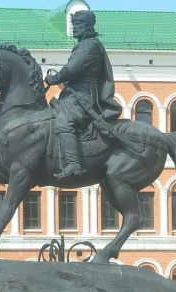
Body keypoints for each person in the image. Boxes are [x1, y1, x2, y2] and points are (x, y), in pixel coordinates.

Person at [44, 10, 122, 179]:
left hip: (83, 94)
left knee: (64, 122)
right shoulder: (86, 44)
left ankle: (73, 163)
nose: (75, 28)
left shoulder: (89, 45)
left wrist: (56, 77)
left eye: (78, 25)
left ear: (87, 26)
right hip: (74, 92)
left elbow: (74, 67)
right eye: (73, 25)